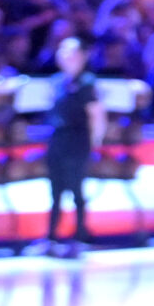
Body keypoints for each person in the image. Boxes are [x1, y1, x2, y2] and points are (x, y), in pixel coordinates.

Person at [40, 36, 104, 259]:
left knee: (76, 189)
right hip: (58, 138)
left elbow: (96, 115)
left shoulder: (87, 83)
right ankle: (51, 237)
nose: (68, 57)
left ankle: (80, 236)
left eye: (73, 52)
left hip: (79, 139)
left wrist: (95, 143)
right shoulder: (57, 82)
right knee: (55, 190)